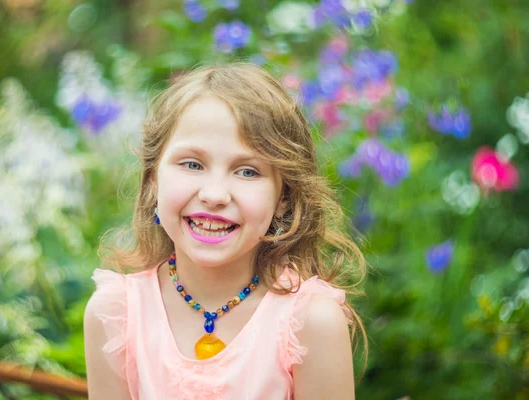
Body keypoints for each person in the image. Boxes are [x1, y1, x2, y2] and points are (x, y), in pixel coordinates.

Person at [83, 63, 367, 399]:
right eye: (192, 164)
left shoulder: (311, 322)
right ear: (152, 181)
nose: (215, 194)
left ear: (284, 200)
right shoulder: (116, 314)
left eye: (247, 171)